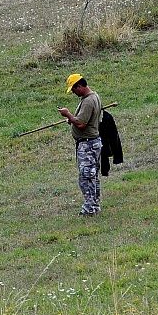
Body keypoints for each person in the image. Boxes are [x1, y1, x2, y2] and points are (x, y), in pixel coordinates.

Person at [58, 73, 103, 216]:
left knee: (86, 177)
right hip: (92, 143)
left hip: (88, 144)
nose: (73, 92)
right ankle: (94, 205)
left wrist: (68, 115)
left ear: (80, 86)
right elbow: (82, 119)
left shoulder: (88, 101)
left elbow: (82, 124)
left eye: (74, 89)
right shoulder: (93, 97)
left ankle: (89, 208)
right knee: (92, 175)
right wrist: (73, 120)